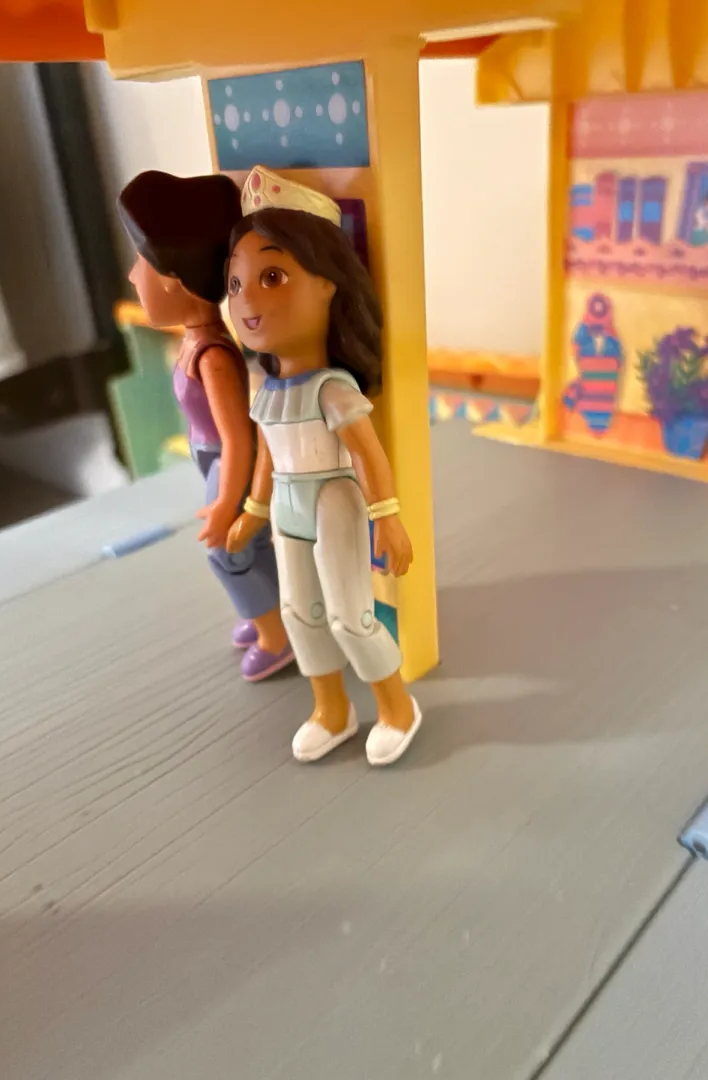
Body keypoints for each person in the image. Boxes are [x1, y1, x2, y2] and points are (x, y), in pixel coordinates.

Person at [225, 166, 421, 766]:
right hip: (287, 505)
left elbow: (366, 452)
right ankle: (331, 710)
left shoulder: (332, 387)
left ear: (328, 285)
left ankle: (397, 708)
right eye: (236, 283)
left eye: (273, 276)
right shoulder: (267, 389)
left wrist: (388, 517)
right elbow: (266, 456)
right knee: (298, 612)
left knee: (349, 616)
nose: (248, 299)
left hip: (335, 500)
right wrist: (253, 510)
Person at [118, 170, 293, 681]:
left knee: (229, 548)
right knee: (243, 546)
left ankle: (276, 636)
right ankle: (266, 613)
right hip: (209, 456)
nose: (131, 277)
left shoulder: (213, 356)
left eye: (140, 264)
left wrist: (225, 502)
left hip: (226, 458)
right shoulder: (195, 342)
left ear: (172, 279)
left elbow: (238, 438)